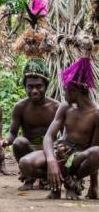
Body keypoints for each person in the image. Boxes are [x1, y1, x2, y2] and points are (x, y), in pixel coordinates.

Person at [19, 58, 99, 199]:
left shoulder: (96, 114)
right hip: (60, 150)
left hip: (79, 158)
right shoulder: (65, 107)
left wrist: (94, 186)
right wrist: (51, 161)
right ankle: (57, 180)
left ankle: (72, 180)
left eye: (66, 89)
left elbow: (93, 150)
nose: (64, 93)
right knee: (25, 163)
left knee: (97, 152)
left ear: (74, 91)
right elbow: (49, 136)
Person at [1, 58, 59, 190]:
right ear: (24, 87)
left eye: (39, 86)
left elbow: (66, 134)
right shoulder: (20, 107)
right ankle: (29, 178)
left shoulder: (56, 107)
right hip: (28, 149)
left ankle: (48, 177)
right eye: (30, 86)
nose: (34, 91)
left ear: (46, 86)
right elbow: (12, 133)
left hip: (50, 150)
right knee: (18, 142)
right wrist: (5, 141)